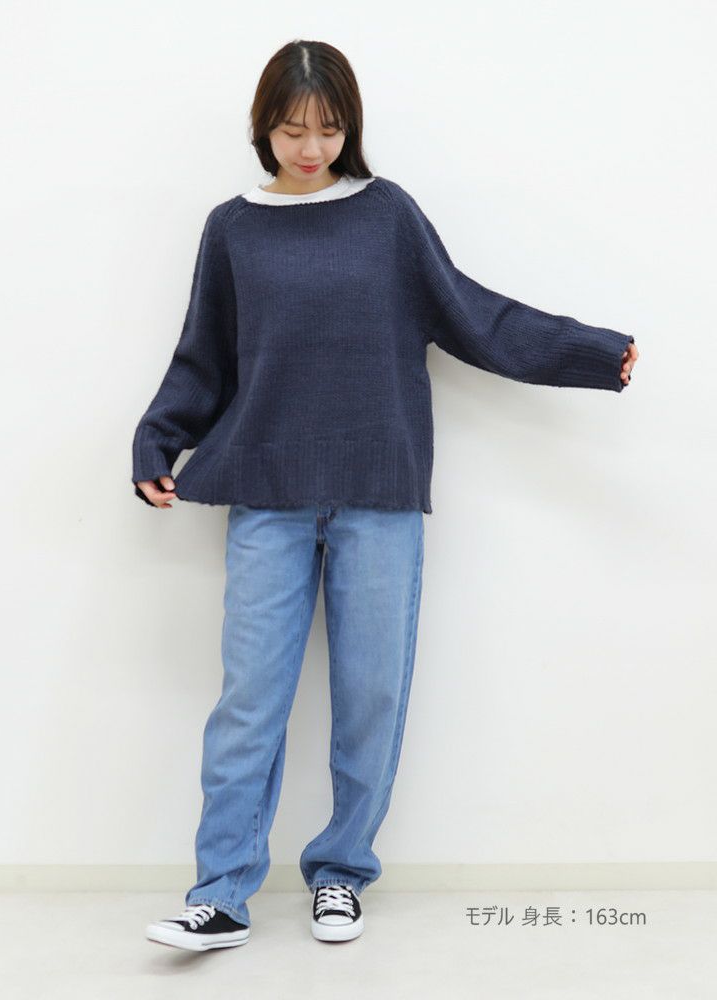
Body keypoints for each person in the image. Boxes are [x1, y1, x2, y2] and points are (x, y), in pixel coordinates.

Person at [133, 39, 639, 953]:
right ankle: (221, 893)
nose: (311, 148)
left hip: (378, 495)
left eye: (329, 129)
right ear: (263, 128)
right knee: (248, 703)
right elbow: (205, 354)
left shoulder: (388, 216)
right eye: (293, 130)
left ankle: (341, 874)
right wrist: (158, 438)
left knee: (371, 697)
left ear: (351, 128)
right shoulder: (233, 228)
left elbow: (471, 313)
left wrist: (589, 352)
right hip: (268, 495)